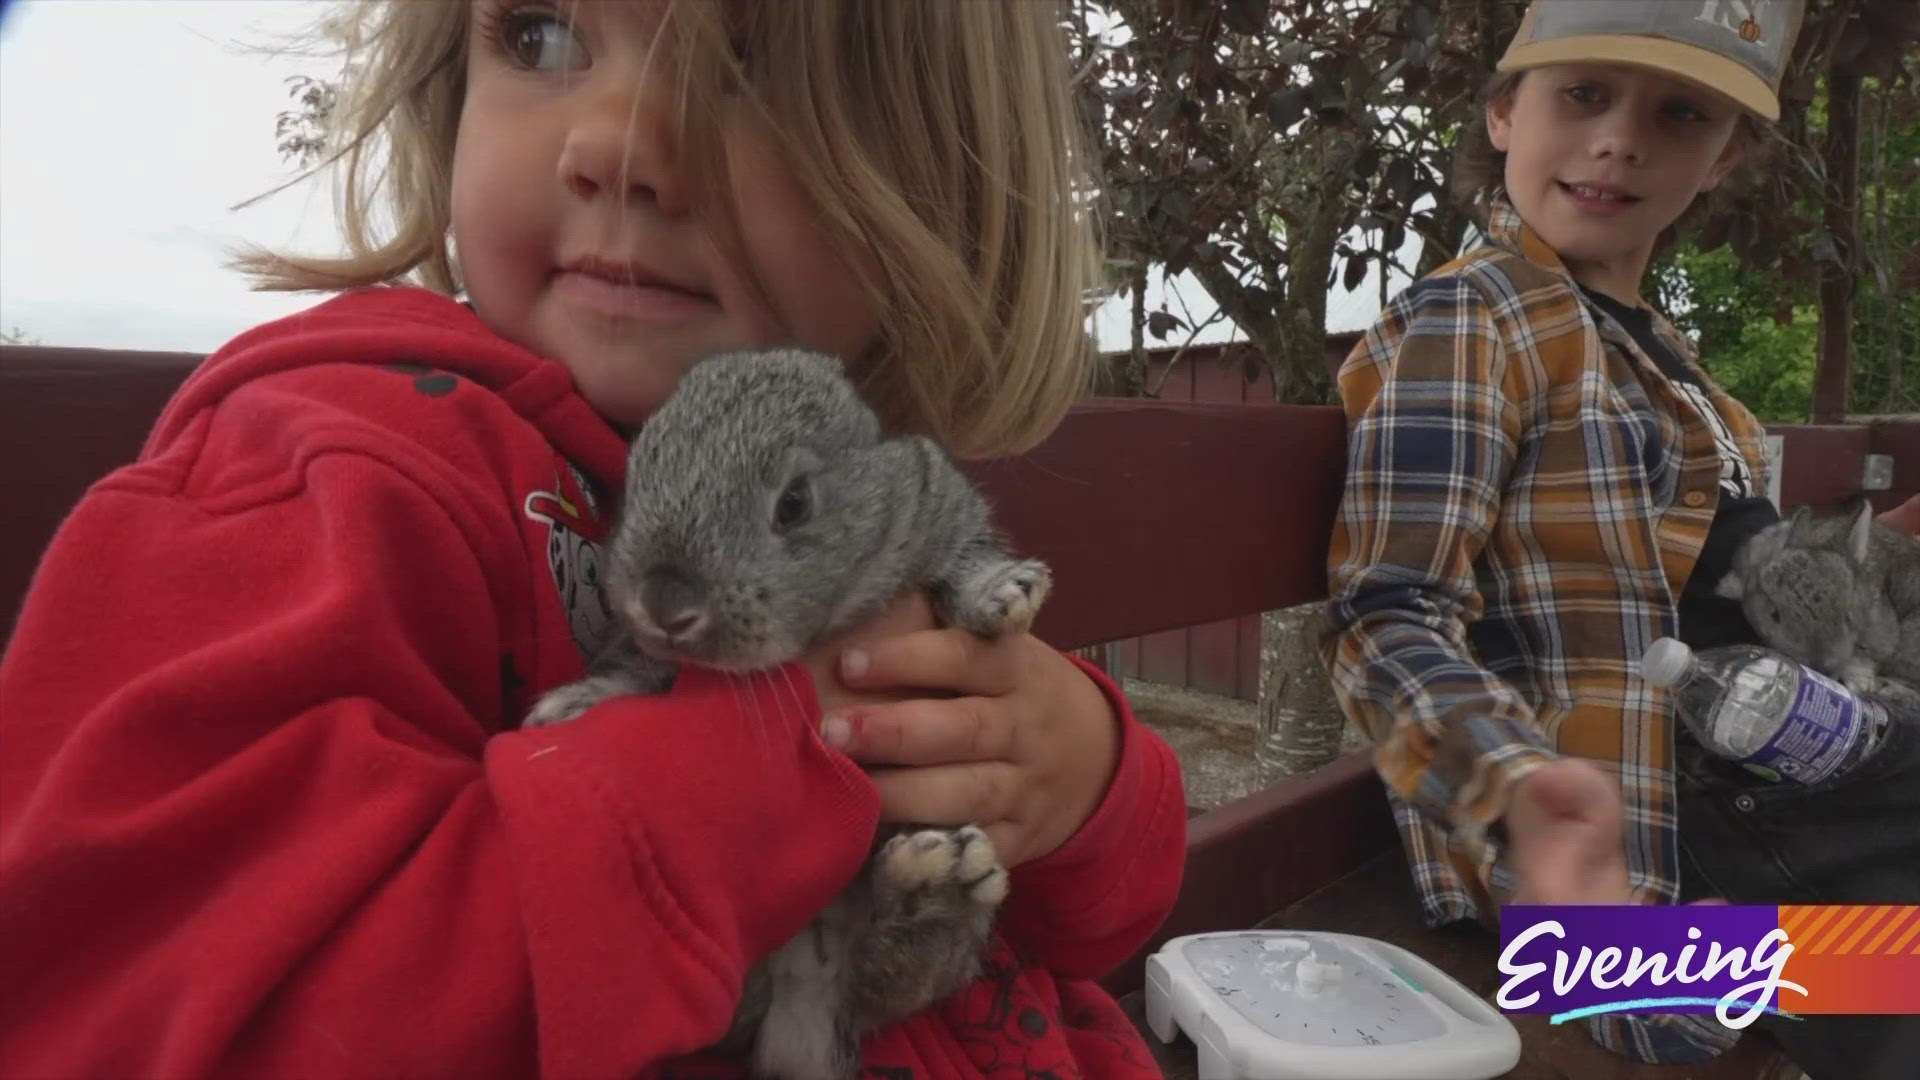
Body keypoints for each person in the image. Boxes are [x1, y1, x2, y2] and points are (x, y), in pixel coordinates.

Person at [0, 2, 1186, 1076]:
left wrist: (1084, 779)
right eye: (539, 35)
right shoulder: (333, 473)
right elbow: (143, 1009)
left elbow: (1085, 927)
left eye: (750, 70)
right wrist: (760, 765)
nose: (619, 144)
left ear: (944, 180)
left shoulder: (850, 480)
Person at [1325, 1, 1920, 1077]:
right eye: (1584, 95)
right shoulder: (1480, 317)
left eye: (1680, 114)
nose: (1620, 139)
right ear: (1507, 112)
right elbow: (1385, 611)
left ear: (1723, 157)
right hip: (1627, 892)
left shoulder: (1683, 376)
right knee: (1904, 975)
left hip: (1794, 787)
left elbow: (1747, 590)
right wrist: (1515, 791)